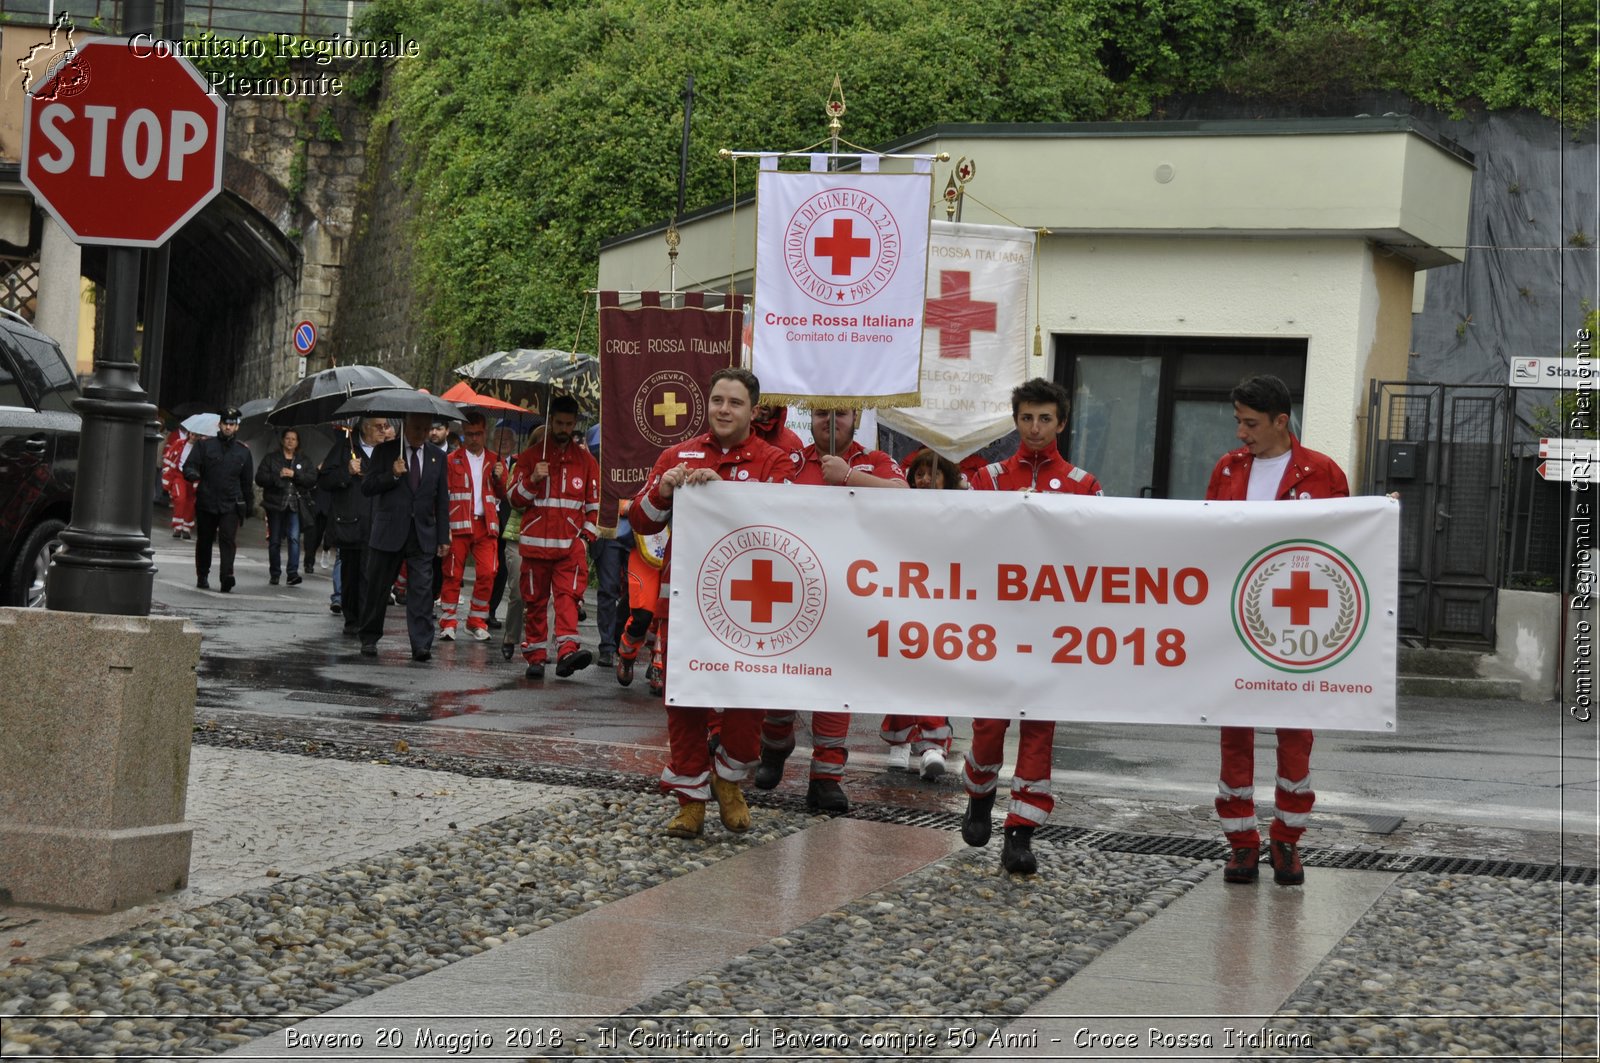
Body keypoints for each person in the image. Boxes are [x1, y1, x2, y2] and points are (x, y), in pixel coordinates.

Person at [628, 367, 790, 839]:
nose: (723, 409)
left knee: (747, 705)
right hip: (684, 605)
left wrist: (720, 493)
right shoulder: (677, 455)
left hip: (751, 607)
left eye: (734, 402)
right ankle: (690, 803)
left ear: (754, 410)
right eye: (717, 400)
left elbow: (784, 520)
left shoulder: (774, 461)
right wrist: (664, 489)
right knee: (684, 704)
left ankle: (728, 777)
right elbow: (642, 520)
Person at [1206, 374, 1350, 887]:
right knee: (1234, 734)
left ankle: (1287, 842)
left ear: (1281, 421)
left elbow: (1345, 544)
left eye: (1251, 423)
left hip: (1297, 624)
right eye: (1238, 422)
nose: (1241, 433)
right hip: (1236, 622)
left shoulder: (1323, 472)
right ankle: (1242, 845)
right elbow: (1206, 538)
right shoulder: (1227, 469)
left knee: (1295, 736)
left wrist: (1380, 515)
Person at [961, 378, 1104, 875]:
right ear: (1015, 420)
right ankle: (979, 798)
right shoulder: (990, 478)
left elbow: (1095, 554)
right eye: (1027, 418)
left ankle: (1021, 833)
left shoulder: (1085, 484)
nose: (1036, 427)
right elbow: (964, 538)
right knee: (988, 725)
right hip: (997, 625)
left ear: (1061, 422)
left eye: (1045, 418)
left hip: (1051, 628)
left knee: (1040, 729)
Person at [752, 405, 906, 813]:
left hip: (851, 593)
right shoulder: (789, 461)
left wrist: (849, 478)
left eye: (840, 413)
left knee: (837, 687)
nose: (831, 420)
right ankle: (774, 745)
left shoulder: (874, 461)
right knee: (781, 675)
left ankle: (826, 777)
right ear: (810, 417)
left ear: (855, 418)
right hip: (793, 591)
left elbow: (906, 497)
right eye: (822, 412)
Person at [881, 447, 962, 777]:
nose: (926, 479)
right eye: (920, 474)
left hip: (944, 604)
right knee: (901, 668)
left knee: (935, 670)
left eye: (934, 474)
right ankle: (900, 741)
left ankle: (932, 743)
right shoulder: (898, 509)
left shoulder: (963, 510)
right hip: (906, 600)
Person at [507, 396, 599, 679]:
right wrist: (532, 479)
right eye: (558, 423)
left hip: (569, 548)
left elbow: (594, 507)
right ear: (550, 421)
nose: (563, 428)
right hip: (534, 547)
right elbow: (514, 500)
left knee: (568, 598)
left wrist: (584, 540)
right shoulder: (531, 456)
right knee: (533, 601)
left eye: (568, 424)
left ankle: (567, 652)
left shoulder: (586, 461)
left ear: (575, 424)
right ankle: (535, 655)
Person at [357, 412, 450, 662]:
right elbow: (368, 487)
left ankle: (421, 644)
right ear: (405, 426)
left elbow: (442, 499)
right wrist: (393, 475)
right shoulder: (385, 452)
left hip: (422, 534)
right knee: (378, 588)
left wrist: (443, 536)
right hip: (389, 532)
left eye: (425, 429)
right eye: (417, 428)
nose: (421, 433)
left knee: (421, 591)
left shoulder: (437, 457)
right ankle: (369, 636)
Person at [439, 412, 509, 642]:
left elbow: (502, 494)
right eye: (469, 434)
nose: (473, 439)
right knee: (452, 574)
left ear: (485, 433)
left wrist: (500, 477)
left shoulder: (495, 461)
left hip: (486, 525)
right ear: (462, 433)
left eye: (478, 434)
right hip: (458, 525)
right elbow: (442, 495)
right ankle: (448, 621)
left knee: (489, 572)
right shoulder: (451, 460)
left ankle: (476, 620)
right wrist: (444, 528)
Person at [183, 406, 254, 593]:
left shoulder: (243, 452)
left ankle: (226, 576)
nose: (228, 427)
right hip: (207, 499)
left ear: (237, 427)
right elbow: (190, 465)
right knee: (205, 539)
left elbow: (247, 482)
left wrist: (249, 505)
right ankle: (203, 574)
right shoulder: (205, 445)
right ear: (220, 425)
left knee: (227, 539)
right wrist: (192, 473)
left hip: (231, 502)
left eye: (232, 424)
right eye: (225, 424)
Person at [586, 423, 626, 669]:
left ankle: (621, 636)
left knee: (636, 594)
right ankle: (607, 647)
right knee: (609, 589)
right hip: (608, 530)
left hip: (638, 531)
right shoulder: (596, 431)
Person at [255, 429, 316, 586]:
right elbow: (260, 478)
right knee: (275, 539)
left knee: (294, 538)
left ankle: (292, 573)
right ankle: (275, 572)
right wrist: (278, 476)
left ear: (297, 442)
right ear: (282, 440)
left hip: (295, 504)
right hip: (276, 504)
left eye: (293, 439)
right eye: (287, 438)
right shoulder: (271, 458)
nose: (290, 441)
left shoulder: (303, 460)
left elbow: (311, 479)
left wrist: (295, 475)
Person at [162, 426, 196, 539]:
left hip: (194, 478)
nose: (194, 437)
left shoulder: (201, 448)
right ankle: (177, 527)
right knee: (180, 499)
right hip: (179, 475)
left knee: (191, 503)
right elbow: (169, 458)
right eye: (193, 434)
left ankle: (186, 528)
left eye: (197, 435)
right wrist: (167, 476)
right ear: (189, 433)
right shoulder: (179, 443)